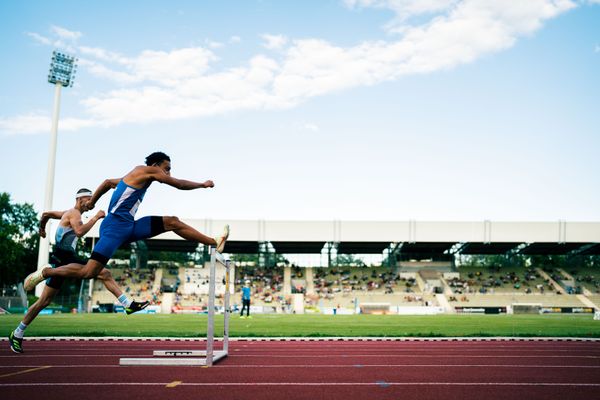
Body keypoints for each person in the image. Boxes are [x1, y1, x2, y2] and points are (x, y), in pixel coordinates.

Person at [24, 151, 229, 291]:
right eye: (167, 168)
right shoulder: (148, 170)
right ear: (156, 166)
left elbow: (107, 183)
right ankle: (46, 272)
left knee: (172, 222)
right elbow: (179, 184)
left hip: (129, 226)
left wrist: (93, 202)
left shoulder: (133, 176)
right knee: (88, 272)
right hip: (113, 228)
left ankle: (214, 242)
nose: (168, 173)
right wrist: (202, 184)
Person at [9, 188, 148, 354]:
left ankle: (17, 333)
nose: (91, 204)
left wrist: (42, 228)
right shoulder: (74, 213)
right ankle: (46, 273)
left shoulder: (68, 213)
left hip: (66, 258)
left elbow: (46, 214)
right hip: (64, 259)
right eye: (89, 200)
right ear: (81, 199)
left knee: (47, 301)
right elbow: (80, 232)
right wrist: (96, 217)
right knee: (102, 274)